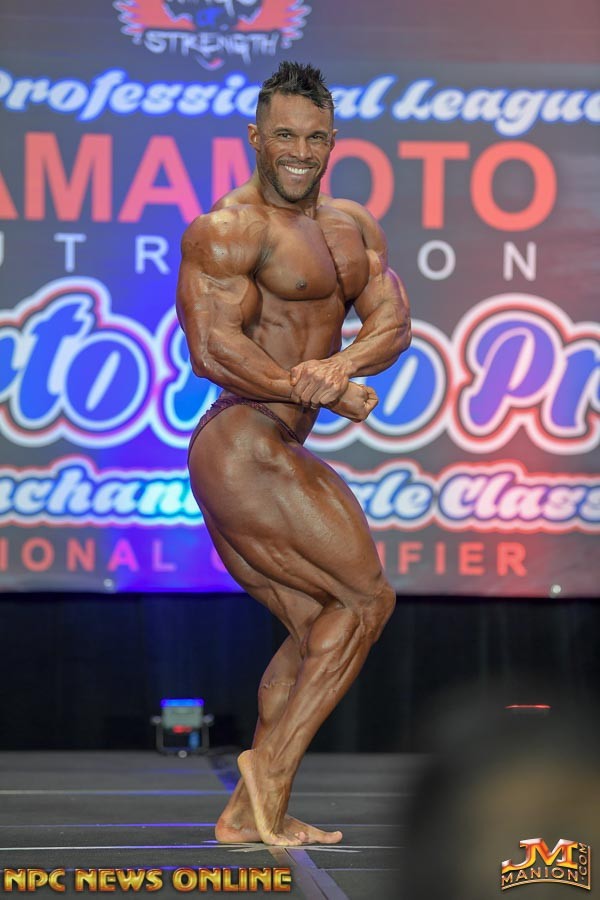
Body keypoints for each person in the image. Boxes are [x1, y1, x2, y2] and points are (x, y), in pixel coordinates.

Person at [176, 61, 411, 846]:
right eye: (284, 135)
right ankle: (270, 774)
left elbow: (393, 323)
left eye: (315, 138)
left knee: (324, 628)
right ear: (256, 137)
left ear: (333, 139)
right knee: (367, 601)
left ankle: (247, 813)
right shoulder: (229, 229)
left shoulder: (352, 227)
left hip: (270, 440)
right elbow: (212, 349)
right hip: (240, 439)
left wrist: (338, 368)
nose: (300, 152)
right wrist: (307, 386)